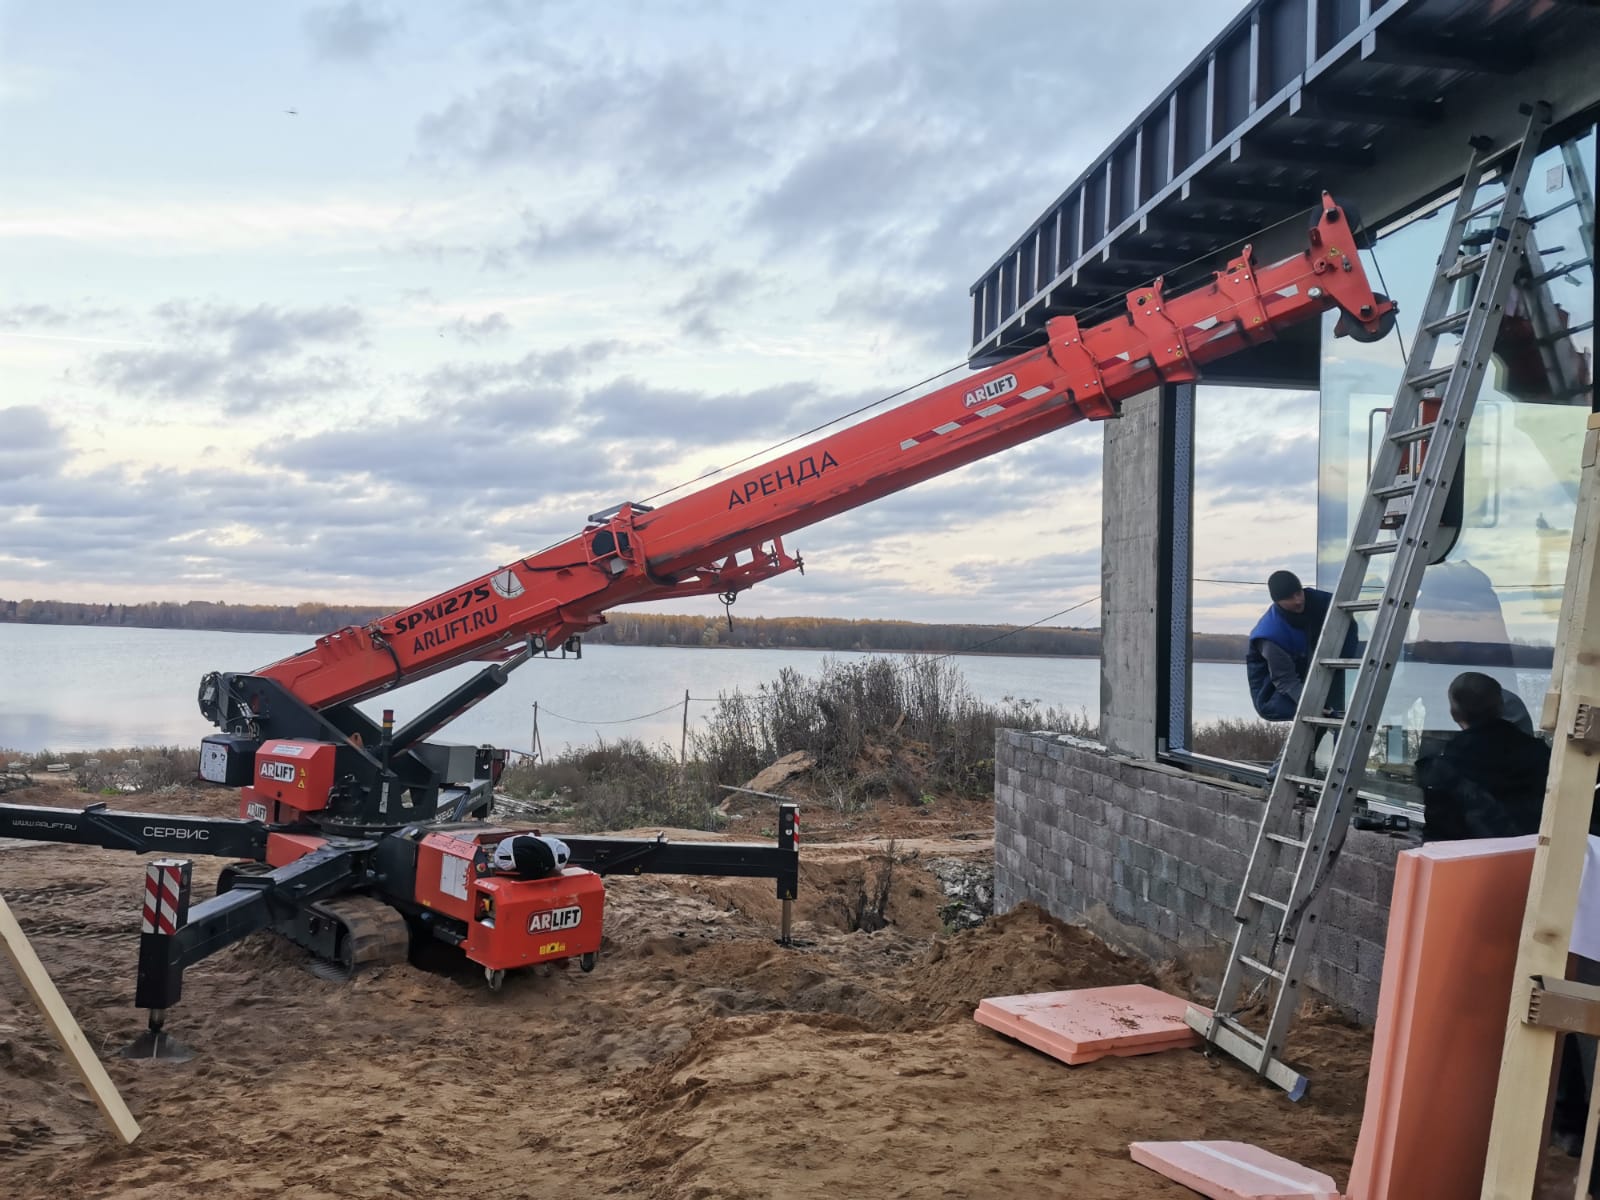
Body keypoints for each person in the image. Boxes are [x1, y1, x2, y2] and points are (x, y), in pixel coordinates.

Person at [1414, 671, 1550, 842]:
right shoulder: (1540, 754)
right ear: (1501, 707)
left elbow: (1440, 836)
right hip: (1530, 850)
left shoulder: (1446, 768)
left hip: (1471, 854)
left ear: (1454, 713)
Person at [1246, 570, 1354, 722]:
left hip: (1308, 669)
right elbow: (1286, 681)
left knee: (1329, 712)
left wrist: (1343, 660)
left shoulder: (1321, 601)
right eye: (1289, 598)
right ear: (1277, 601)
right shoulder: (1271, 636)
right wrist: (1313, 704)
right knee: (1318, 714)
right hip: (1273, 692)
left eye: (1298, 593)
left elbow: (1348, 620)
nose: (1298, 600)